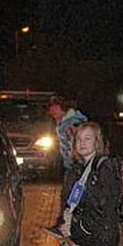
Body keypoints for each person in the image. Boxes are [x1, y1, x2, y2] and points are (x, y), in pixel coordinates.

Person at [45, 96, 87, 237]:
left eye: (55, 108)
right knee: (72, 195)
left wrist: (78, 161)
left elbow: (78, 143)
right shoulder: (64, 121)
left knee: (69, 195)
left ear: (61, 107)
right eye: (51, 109)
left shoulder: (71, 123)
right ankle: (69, 225)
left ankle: (64, 226)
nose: (52, 112)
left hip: (77, 165)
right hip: (73, 164)